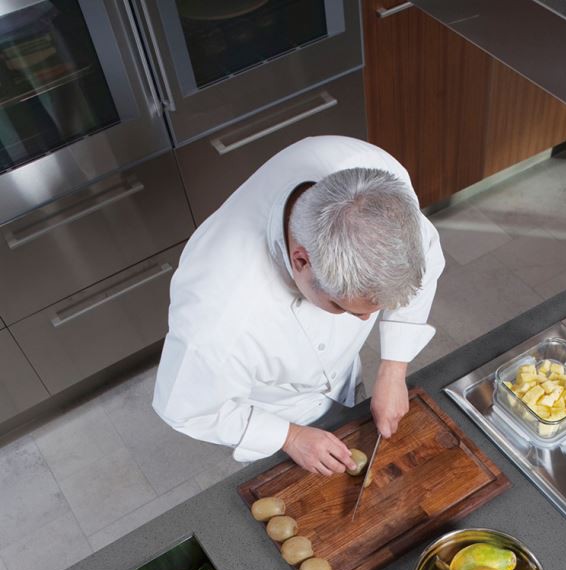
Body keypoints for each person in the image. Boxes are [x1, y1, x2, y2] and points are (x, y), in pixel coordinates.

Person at [153, 135, 445, 475]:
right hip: (277, 407)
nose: (367, 320)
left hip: (341, 375)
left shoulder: (375, 184)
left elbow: (426, 261)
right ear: (302, 260)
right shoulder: (219, 317)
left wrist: (393, 368)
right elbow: (186, 407)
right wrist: (288, 437)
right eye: (343, 307)